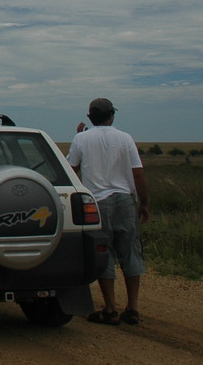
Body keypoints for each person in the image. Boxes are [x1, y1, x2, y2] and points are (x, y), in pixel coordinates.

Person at [67, 97, 150, 326]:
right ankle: (132, 308)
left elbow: (71, 168)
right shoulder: (125, 138)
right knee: (130, 251)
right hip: (125, 200)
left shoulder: (81, 139)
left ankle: (110, 308)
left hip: (97, 202)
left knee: (104, 253)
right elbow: (139, 174)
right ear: (112, 115)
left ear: (90, 117)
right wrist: (143, 202)